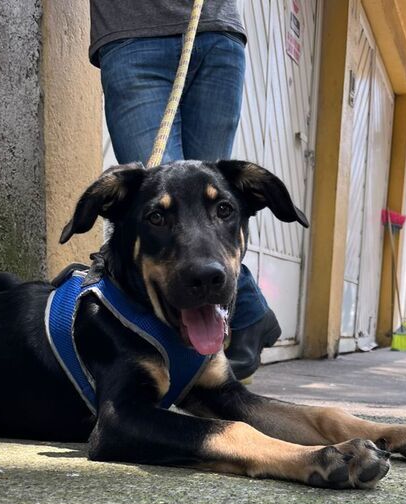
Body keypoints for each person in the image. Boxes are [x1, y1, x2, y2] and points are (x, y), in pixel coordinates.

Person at [88, 0, 282, 378]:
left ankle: (230, 326)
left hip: (214, 28)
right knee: (159, 203)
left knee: (207, 201)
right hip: (131, 33)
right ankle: (251, 312)